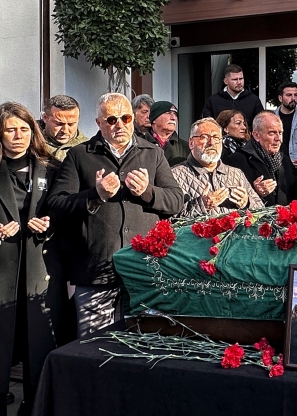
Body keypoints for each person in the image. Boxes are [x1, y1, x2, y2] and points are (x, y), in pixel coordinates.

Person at [46, 93, 183, 338]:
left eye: (125, 118)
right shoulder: (80, 155)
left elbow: (176, 201)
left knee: (143, 342)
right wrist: (95, 195)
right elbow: (57, 206)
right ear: (99, 123)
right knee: (94, 345)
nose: (119, 125)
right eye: (111, 120)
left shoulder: (152, 153)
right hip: (95, 272)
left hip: (142, 269)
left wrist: (148, 192)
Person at [0, 102, 63, 416]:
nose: (18, 136)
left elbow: (66, 215)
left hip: (39, 270)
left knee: (39, 349)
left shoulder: (53, 169)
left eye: (24, 129)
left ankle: (33, 407)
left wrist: (50, 225)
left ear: (33, 132)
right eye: (10, 130)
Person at [170, 118, 263, 218]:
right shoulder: (175, 175)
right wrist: (201, 205)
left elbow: (261, 211)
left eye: (216, 137)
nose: (211, 142)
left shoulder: (235, 173)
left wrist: (247, 203)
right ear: (191, 143)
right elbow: (168, 219)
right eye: (204, 137)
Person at [225, 112, 297, 206]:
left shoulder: (284, 159)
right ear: (256, 135)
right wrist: (256, 193)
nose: (278, 139)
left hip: (283, 215)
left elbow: (292, 196)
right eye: (272, 133)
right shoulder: (236, 161)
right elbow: (230, 201)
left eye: (280, 133)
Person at [40, 95, 88, 162]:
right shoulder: (31, 142)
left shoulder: (88, 148)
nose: (65, 130)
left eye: (71, 124)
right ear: (45, 118)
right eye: (59, 124)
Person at [144, 101, 190, 167]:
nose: (173, 118)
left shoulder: (186, 148)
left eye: (175, 114)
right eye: (168, 113)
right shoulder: (138, 144)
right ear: (154, 119)